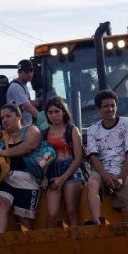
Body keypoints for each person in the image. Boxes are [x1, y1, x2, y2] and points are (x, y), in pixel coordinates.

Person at [0, 103, 42, 233]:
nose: (5, 120)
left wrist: (3, 152)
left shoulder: (31, 130)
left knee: (24, 220)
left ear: (19, 116)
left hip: (27, 179)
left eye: (8, 116)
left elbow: (29, 146)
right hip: (4, 178)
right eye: (2, 118)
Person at [86, 90, 128, 224]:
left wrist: (121, 177)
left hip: (124, 170)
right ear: (98, 109)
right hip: (102, 170)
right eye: (106, 106)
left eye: (113, 105)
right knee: (92, 184)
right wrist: (105, 176)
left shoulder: (126, 123)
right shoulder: (92, 130)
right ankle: (98, 223)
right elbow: (94, 157)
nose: (110, 109)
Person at [41, 96, 84, 228]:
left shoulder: (72, 130)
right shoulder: (44, 133)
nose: (54, 115)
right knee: (52, 215)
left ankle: (75, 246)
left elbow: (78, 158)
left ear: (63, 112)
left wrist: (62, 178)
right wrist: (43, 177)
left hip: (71, 170)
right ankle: (52, 247)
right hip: (52, 170)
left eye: (57, 111)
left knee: (71, 211)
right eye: (50, 112)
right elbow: (43, 158)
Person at [7, 59, 38, 126]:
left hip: (24, 126)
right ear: (19, 72)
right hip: (19, 128)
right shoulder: (16, 87)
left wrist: (36, 102)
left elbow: (24, 104)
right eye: (26, 71)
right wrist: (44, 119)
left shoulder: (23, 85)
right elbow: (27, 107)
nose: (30, 74)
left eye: (31, 71)